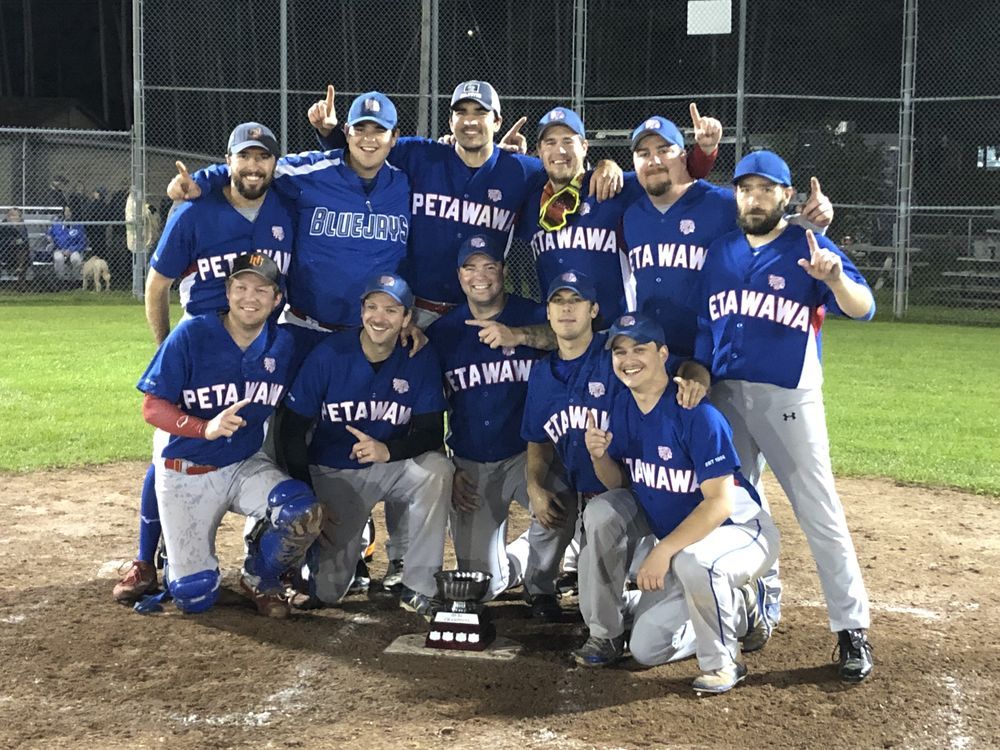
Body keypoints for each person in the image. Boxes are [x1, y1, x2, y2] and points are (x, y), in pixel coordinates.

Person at [693, 150, 876, 682]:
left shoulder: (808, 245)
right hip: (727, 395)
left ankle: (851, 628)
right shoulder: (721, 251)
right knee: (738, 508)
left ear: (786, 197)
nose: (754, 197)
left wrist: (835, 279)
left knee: (818, 510)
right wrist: (701, 374)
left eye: (765, 189)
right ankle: (757, 608)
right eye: (745, 188)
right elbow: (708, 327)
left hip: (788, 397)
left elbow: (863, 307)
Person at [113, 122, 296, 604]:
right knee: (171, 446)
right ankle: (146, 558)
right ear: (229, 161)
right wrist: (163, 347)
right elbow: (157, 285)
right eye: (244, 157)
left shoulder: (285, 201)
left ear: (274, 164)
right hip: (202, 342)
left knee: (260, 442)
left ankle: (268, 554)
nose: (253, 167)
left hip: (263, 339)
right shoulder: (196, 209)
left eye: (263, 158)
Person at [575, 312, 779, 693]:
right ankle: (735, 612)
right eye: (620, 351)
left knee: (694, 561)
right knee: (647, 648)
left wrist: (664, 549)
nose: (628, 358)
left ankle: (724, 662)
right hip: (685, 543)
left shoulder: (697, 414)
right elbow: (621, 484)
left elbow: (720, 504)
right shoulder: (622, 407)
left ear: (664, 353)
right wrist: (599, 456)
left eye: (640, 348)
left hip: (738, 532)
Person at [308, 82, 624, 326]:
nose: (470, 121)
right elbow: (369, 150)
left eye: (480, 112)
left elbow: (565, 169)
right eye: (462, 112)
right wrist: (331, 133)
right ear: (451, 121)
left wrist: (604, 166)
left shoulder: (521, 170)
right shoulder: (422, 154)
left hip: (482, 309)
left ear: (498, 121)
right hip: (415, 309)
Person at [135, 252, 323, 617]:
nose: (250, 298)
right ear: (227, 291)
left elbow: (351, 344)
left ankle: (259, 576)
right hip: (186, 470)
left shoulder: (285, 343)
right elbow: (152, 407)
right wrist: (204, 428)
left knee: (302, 511)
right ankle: (178, 566)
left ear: (277, 299)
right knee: (194, 596)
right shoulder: (192, 334)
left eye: (262, 290)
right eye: (241, 287)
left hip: (242, 465)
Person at [278, 273, 452, 619]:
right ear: (361, 312)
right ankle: (280, 558)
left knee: (438, 469)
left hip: (391, 466)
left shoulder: (419, 357)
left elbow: (432, 432)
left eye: (391, 310)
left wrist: (388, 451)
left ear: (407, 319)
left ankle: (420, 586)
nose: (379, 317)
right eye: (371, 307)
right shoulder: (329, 354)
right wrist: (308, 498)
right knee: (327, 592)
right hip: (335, 472)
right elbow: (291, 430)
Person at [425, 235, 547, 600]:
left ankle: (545, 581)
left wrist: (520, 336)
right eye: (470, 267)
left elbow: (570, 336)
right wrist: (449, 468)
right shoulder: (443, 333)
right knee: (483, 587)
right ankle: (520, 561)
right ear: (460, 276)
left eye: (489, 266)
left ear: (504, 272)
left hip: (528, 456)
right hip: (472, 461)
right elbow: (429, 408)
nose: (480, 276)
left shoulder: (533, 315)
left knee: (562, 515)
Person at [519, 104, 720, 325]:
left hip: (615, 335)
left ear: (585, 147)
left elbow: (671, 174)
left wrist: (705, 151)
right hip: (559, 332)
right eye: (551, 142)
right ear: (539, 151)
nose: (560, 151)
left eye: (568, 141)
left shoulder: (612, 186)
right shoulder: (531, 201)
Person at [47, 205, 88, 281]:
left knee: (76, 259)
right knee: (59, 258)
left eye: (70, 211)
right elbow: (50, 236)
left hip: (74, 250)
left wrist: (71, 250)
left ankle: (76, 280)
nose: (68, 213)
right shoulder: (57, 225)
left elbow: (83, 242)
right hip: (59, 249)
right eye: (66, 211)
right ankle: (61, 280)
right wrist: (55, 245)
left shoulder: (78, 226)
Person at [0, 207, 30, 284]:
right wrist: (13, 241)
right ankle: (19, 267)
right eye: (12, 215)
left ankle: (20, 274)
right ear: (8, 217)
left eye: (16, 216)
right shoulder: (3, 226)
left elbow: (25, 240)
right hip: (5, 253)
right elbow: (3, 241)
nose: (14, 218)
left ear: (20, 217)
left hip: (18, 254)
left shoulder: (22, 226)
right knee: (20, 246)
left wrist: (17, 241)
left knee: (23, 249)